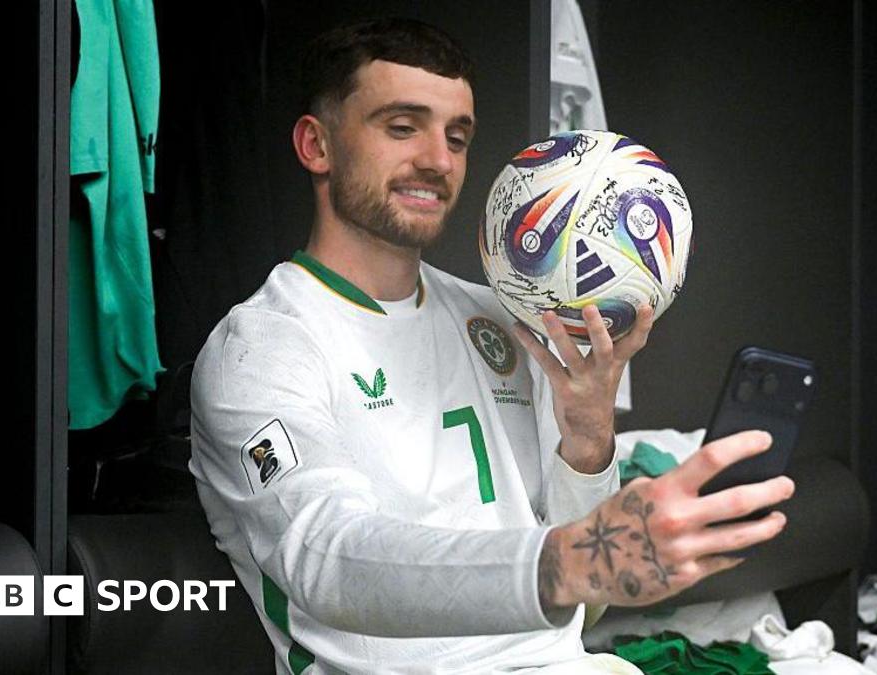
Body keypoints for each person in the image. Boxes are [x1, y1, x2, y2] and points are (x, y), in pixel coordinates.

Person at [188, 17, 796, 675]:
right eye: (402, 126)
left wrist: (588, 438)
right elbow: (328, 559)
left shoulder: (502, 320)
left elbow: (584, 610)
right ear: (317, 145)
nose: (438, 160)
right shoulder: (260, 349)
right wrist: (573, 558)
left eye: (457, 136)